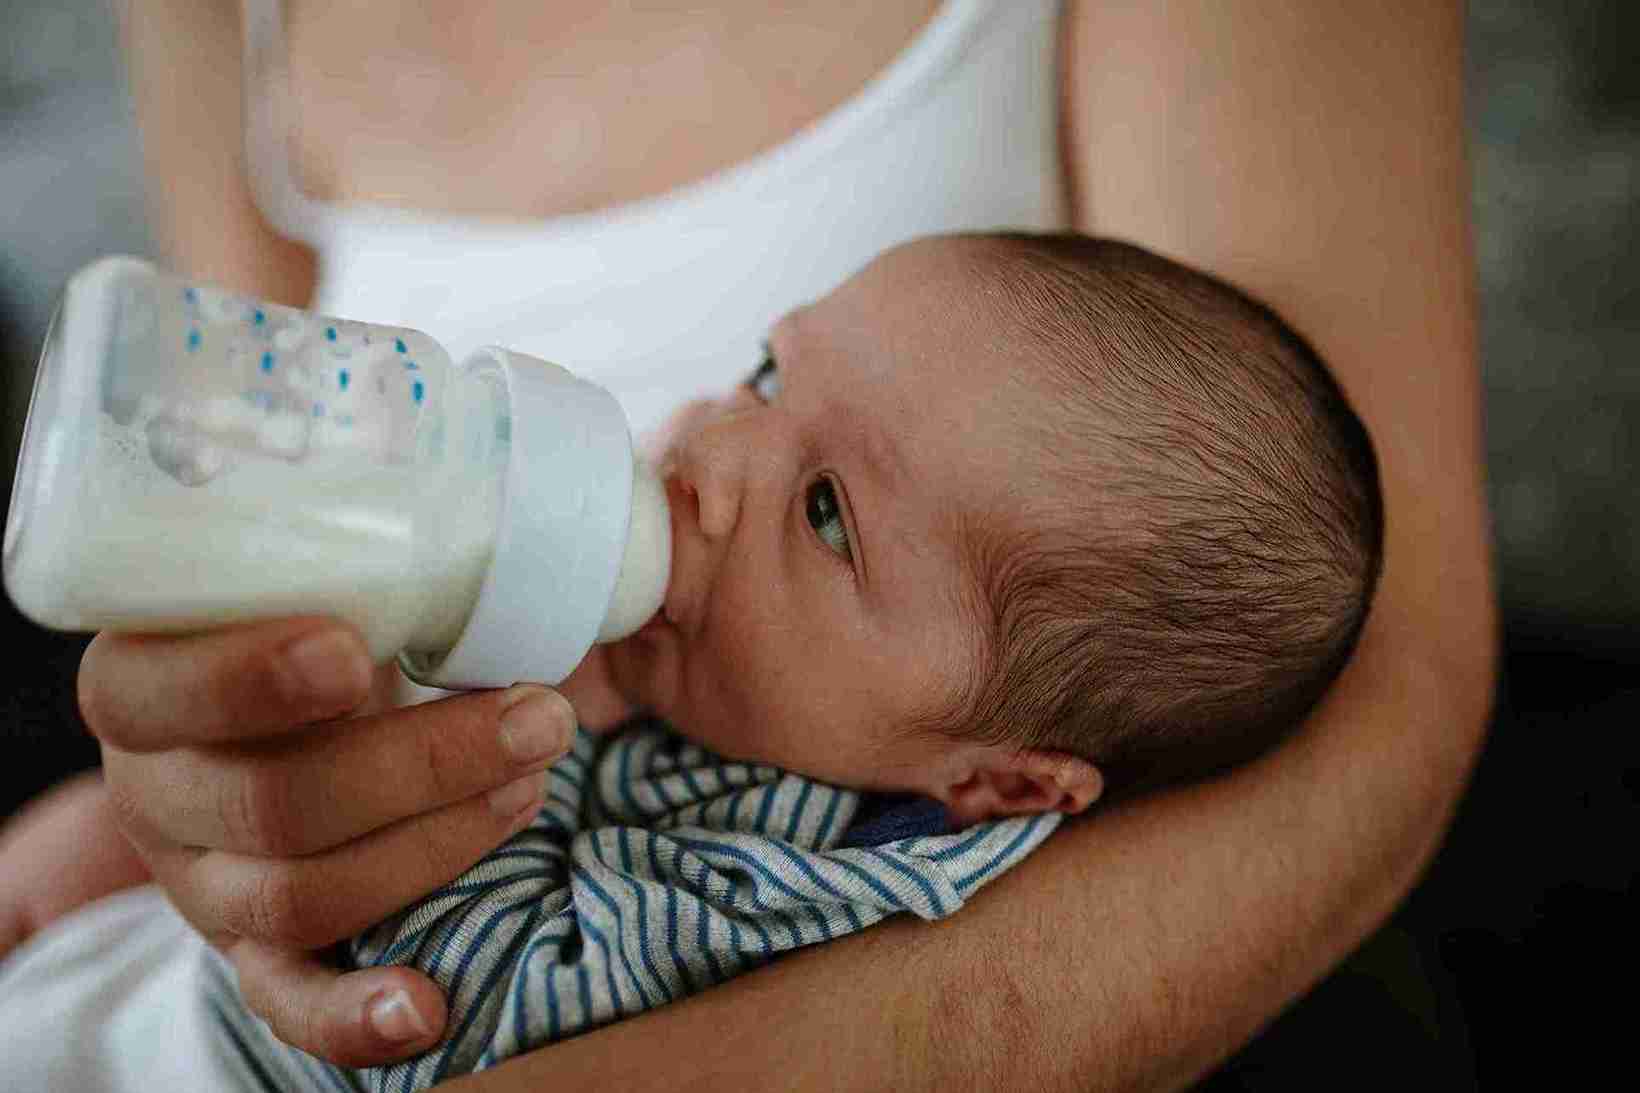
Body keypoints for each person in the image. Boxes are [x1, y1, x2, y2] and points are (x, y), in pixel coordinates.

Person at [4, 1, 1496, 1088]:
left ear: (992, 784)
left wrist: (496, 724)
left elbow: (475, 1001)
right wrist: (164, 819)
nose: (708, 455)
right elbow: (246, 478)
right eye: (772, 379)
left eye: (827, 511)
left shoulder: (806, 882)